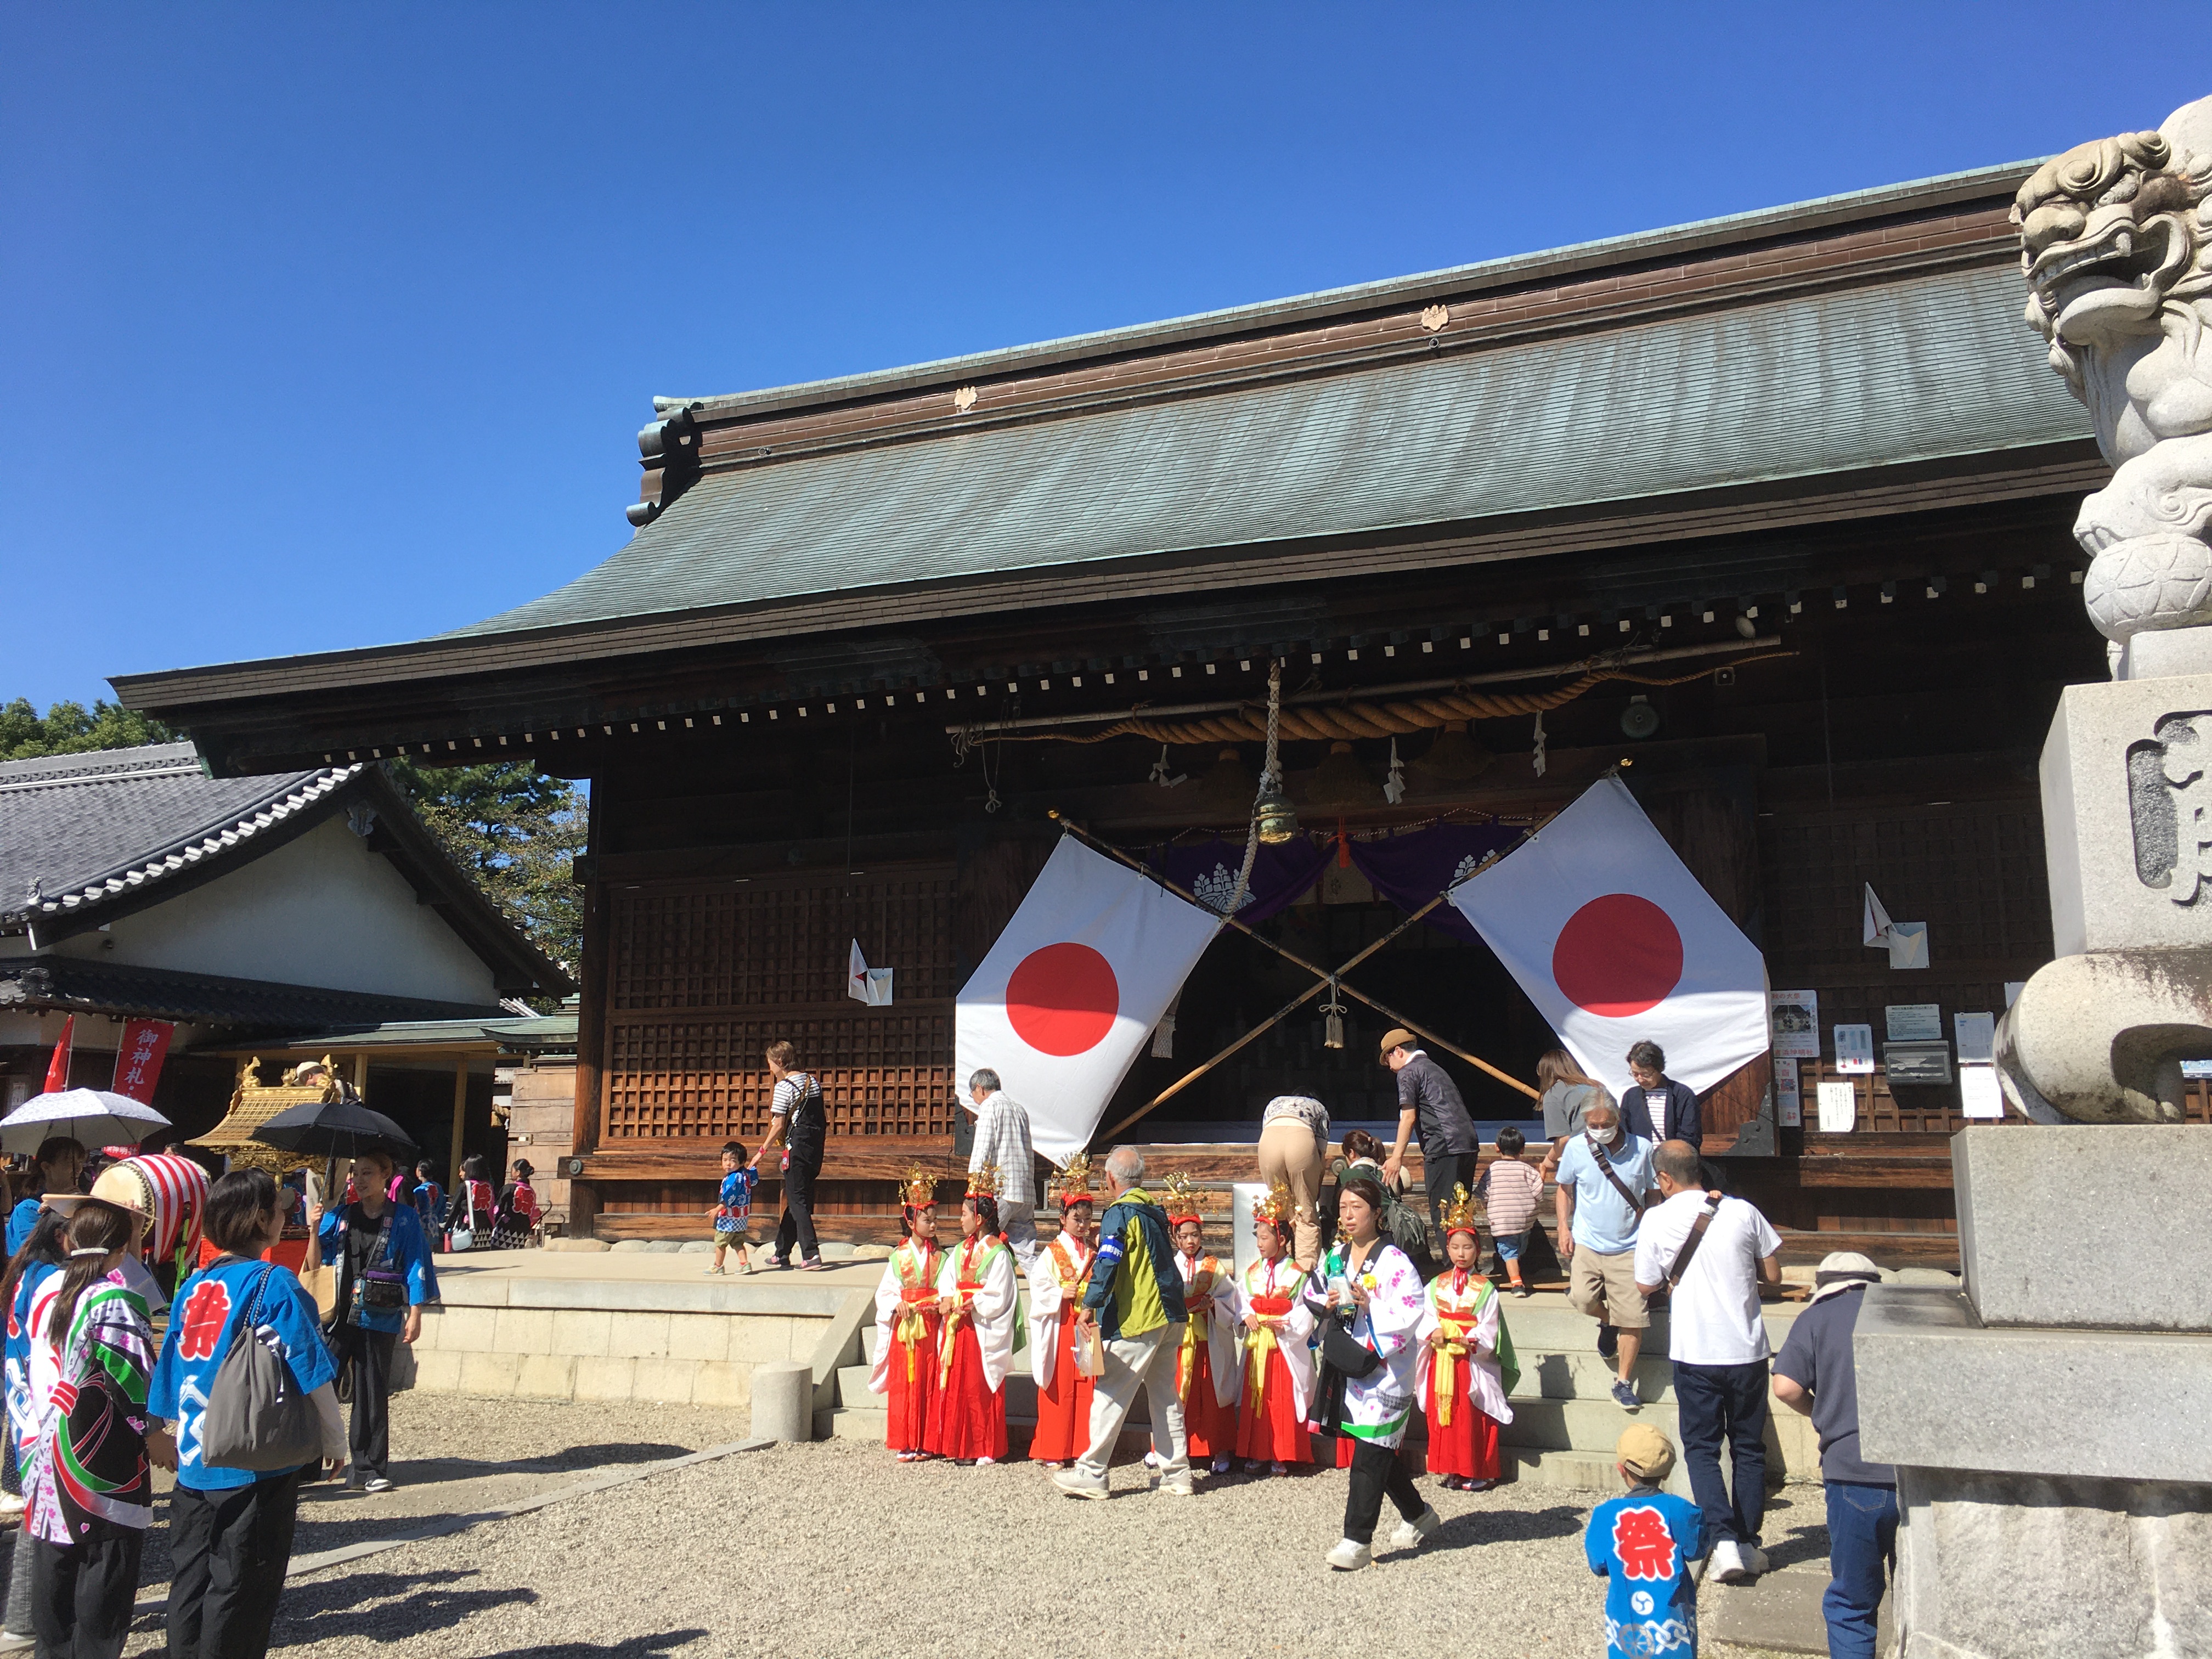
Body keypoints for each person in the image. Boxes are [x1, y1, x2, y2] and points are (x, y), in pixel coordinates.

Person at [151, 1169, 346, 1659]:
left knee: (190, 1582)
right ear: (261, 1218)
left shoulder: (194, 1286)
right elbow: (310, 1367)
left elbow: (168, 1368)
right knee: (243, 1587)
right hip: (253, 1460)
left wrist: (157, 1429)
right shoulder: (273, 1282)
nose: (286, 1215)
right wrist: (336, 1442)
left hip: (196, 1459)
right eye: (279, 1208)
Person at [1633, 1138, 1782, 1584]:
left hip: (1696, 1350)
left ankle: (1722, 1542)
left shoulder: (1656, 1219)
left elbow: (1644, 1285)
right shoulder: (1743, 1211)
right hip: (1748, 1349)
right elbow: (1773, 1275)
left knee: (1702, 1448)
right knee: (1749, 1448)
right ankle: (1749, 1541)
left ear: (1664, 1179)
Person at [21, 1198, 154, 1659]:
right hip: (102, 1459)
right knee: (104, 1573)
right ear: (119, 1250)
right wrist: (155, 1434)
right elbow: (136, 1381)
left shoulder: (46, 1290)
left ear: (68, 1240)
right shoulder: (113, 1298)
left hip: (46, 1446)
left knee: (55, 1570)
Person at [1307, 1176, 1437, 1570]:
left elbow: (1411, 1311)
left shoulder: (1396, 1261)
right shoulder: (1336, 1255)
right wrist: (1326, 1303)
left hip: (1386, 1370)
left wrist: (1372, 1304)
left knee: (1368, 1453)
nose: (1347, 1215)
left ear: (1377, 1214)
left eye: (1357, 1208)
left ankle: (1356, 1540)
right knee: (1376, 1449)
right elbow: (1312, 1292)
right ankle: (1418, 1515)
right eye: (1343, 1207)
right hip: (1350, 1364)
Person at [1772, 1251, 1894, 1658]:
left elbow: (1786, 1386)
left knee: (1853, 1602)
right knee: (1922, 1595)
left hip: (1852, 1471)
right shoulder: (1899, 1314)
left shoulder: (1817, 1318)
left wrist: (1820, 1413)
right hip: (1916, 1473)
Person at [1051, 1146, 1189, 1500]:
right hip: (1171, 1312)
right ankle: (1177, 1475)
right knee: (1165, 1396)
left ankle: (1092, 1471)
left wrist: (1090, 1304)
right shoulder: (1156, 1213)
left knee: (1111, 1389)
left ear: (1111, 1179)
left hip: (1140, 1314)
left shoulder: (1118, 1213)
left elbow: (1108, 1260)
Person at [313, 1146, 438, 1492]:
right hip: (337, 1316)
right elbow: (314, 1260)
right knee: (319, 1385)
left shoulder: (403, 1218)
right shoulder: (339, 1215)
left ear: (387, 1176)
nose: (358, 1180)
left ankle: (368, 1469)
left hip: (379, 1314)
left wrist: (415, 1313)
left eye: (368, 1173)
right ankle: (305, 1463)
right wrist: (312, 1226)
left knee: (372, 1392)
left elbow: (417, 1264)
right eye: (356, 1173)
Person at [1554, 1102, 1658, 1412]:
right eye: (1593, 1124)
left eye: (1605, 1123)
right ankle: (1608, 1322)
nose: (1600, 1129)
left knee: (1634, 1317)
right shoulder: (1575, 1147)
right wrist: (1563, 1226)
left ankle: (1623, 1383)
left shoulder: (1643, 1148)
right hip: (1588, 1241)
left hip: (1630, 1244)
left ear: (1618, 1119)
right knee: (1582, 1299)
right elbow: (1564, 1188)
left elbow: (1653, 1190)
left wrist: (1651, 1224)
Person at [1417, 1187, 1513, 1492]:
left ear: (1478, 1249)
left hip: (1470, 1360)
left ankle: (1478, 1470)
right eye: (1455, 1247)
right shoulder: (1435, 1284)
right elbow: (1426, 1317)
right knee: (1444, 1413)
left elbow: (1489, 1327)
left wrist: (1470, 1338)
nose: (1461, 1254)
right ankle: (1452, 1469)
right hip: (1442, 1359)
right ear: (1447, 1249)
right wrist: (1433, 1331)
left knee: (1471, 1416)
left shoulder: (1486, 1288)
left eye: (1467, 1247)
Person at [1586, 1424, 1705, 1659]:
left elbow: (1598, 1565)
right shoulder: (1681, 1510)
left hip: (1627, 1624)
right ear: (1667, 1473)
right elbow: (1696, 1549)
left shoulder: (1605, 1515)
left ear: (1621, 1469)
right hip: (1672, 1625)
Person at [927, 1169, 1019, 1465]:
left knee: (978, 1387)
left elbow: (1000, 1294)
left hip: (980, 1326)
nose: (961, 1220)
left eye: (964, 1214)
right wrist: (946, 1298)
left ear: (979, 1219)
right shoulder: (959, 1251)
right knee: (956, 1385)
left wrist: (971, 1302)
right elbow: (947, 1279)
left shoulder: (998, 1253)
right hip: (959, 1325)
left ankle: (983, 1446)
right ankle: (957, 1444)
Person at [1224, 1185, 1314, 1474]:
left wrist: (1288, 1324)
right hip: (1259, 1343)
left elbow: (1307, 1309)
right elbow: (1241, 1300)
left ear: (1283, 1238)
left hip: (1284, 1344)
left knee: (1283, 1397)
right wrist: (1248, 1314)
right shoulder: (1251, 1273)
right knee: (1257, 1396)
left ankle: (1283, 1453)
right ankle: (1257, 1451)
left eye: (1265, 1237)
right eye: (1258, 1238)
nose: (1260, 1243)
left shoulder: (1298, 1274)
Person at [1024, 1156, 1097, 1469]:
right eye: (1075, 1218)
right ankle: (1054, 1448)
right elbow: (1039, 1284)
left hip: (1088, 1322)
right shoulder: (1053, 1252)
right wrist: (1058, 1293)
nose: (1081, 1224)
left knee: (1087, 1386)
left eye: (1086, 1218)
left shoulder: (1094, 1252)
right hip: (1063, 1322)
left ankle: (1083, 1447)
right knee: (1061, 1384)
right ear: (1062, 1218)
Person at [1163, 1174, 1238, 1476]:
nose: (1191, 1241)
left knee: (1211, 1393)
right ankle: (1177, 1449)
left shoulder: (1214, 1266)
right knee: (1177, 1393)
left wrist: (1214, 1306)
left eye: (1195, 1235)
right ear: (1175, 1238)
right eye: (1184, 1236)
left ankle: (1218, 1449)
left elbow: (1230, 1300)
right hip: (1180, 1341)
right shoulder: (1168, 1267)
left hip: (1208, 1341)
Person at [868, 1167, 944, 1462]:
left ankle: (926, 1440)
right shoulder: (899, 1258)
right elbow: (884, 1293)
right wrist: (896, 1304)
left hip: (932, 1323)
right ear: (912, 1222)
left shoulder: (941, 1257)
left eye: (935, 1219)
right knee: (906, 1381)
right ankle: (904, 1440)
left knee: (929, 1381)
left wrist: (941, 1302)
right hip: (907, 1327)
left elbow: (946, 1288)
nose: (933, 1224)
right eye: (927, 1220)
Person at [1379, 1029, 1482, 1240]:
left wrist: (1397, 1158)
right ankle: (1467, 1268)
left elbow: (1408, 1117)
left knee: (1443, 1213)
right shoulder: (1434, 1068)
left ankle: (1453, 1269)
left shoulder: (1408, 1072)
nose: (1389, 1067)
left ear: (1398, 1051)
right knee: (1461, 1211)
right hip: (1467, 1143)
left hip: (1444, 1145)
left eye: (1388, 1057)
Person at [752, 1041, 826, 1272]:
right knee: (797, 1200)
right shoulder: (812, 1081)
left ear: (781, 1062)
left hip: (797, 1148)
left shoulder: (784, 1087)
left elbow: (778, 1124)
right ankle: (782, 1252)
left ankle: (811, 1253)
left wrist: (761, 1151)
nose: (770, 1068)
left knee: (798, 1201)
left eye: (771, 1064)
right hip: (815, 1148)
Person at [962, 1069, 1038, 1267]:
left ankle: (976, 1287)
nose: (975, 1100)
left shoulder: (990, 1106)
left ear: (980, 1088)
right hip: (1024, 1189)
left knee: (982, 1240)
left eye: (974, 1095)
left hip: (1000, 1189)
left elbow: (982, 1148)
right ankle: (1045, 1295)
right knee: (1026, 1253)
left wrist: (974, 1187)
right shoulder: (1020, 1109)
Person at [1324, 1130, 1429, 1271]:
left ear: (1351, 1153)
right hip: (1392, 1233)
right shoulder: (1388, 1172)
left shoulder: (1347, 1175)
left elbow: (1335, 1210)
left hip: (1369, 1232)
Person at [1255, 1093, 1329, 1268]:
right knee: (1305, 1213)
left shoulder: (1274, 1102)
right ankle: (1303, 1274)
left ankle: (1280, 1268)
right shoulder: (1320, 1108)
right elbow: (1320, 1155)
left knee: (1279, 1212)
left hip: (1269, 1141)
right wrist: (1314, 1191)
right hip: (1301, 1138)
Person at [1477, 1126, 1545, 1296]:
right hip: (1524, 1220)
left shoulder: (1492, 1170)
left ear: (1497, 1147)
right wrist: (1542, 1173)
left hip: (1502, 1219)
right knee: (1518, 1248)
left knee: (1509, 1252)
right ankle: (1516, 1272)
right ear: (1522, 1149)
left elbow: (1482, 1193)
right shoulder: (1528, 1170)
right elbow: (1538, 1193)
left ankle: (1517, 1284)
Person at [1536, 1049, 1617, 1176]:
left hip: (1587, 1157)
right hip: (1616, 1151)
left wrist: (1550, 1159)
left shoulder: (1553, 1094)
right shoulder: (1598, 1085)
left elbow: (1564, 1139)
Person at [5, 1139, 84, 1256]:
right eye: (69, 1162)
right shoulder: (28, 1209)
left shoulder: (80, 1203)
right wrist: (56, 1208)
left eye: (81, 1162)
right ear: (46, 1167)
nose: (78, 1169)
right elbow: (33, 1253)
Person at [1623, 1040, 1703, 1150]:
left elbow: (1690, 1136)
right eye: (1635, 1074)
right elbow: (1625, 1134)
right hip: (1641, 1162)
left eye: (1646, 1074)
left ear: (1660, 1069)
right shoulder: (1630, 1097)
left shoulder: (1682, 1095)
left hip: (1673, 1163)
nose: (1640, 1079)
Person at [705, 1140, 757, 1276]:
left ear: (741, 1162)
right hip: (741, 1217)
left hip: (728, 1218)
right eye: (725, 1160)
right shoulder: (745, 1175)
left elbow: (729, 1197)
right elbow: (755, 1180)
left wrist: (718, 1209)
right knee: (737, 1242)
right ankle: (745, 1264)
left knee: (721, 1243)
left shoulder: (734, 1179)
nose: (728, 1163)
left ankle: (718, 1266)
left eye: (733, 1160)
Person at [491, 1159, 542, 1249]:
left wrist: (492, 1222)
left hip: (506, 1229)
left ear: (518, 1172)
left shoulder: (509, 1188)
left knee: (499, 1255)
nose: (512, 1173)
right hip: (523, 1230)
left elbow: (498, 1209)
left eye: (513, 1170)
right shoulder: (531, 1191)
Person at [451, 1155, 497, 1247]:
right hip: (486, 1227)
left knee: (465, 1254)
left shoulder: (465, 1186)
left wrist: (448, 1227)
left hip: (469, 1227)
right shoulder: (489, 1186)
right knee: (482, 1255)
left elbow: (455, 1209)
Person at [409, 1162, 444, 1233]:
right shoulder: (438, 1187)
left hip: (420, 1227)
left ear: (420, 1172)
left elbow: (416, 1210)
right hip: (435, 1225)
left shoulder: (419, 1190)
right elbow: (443, 1206)